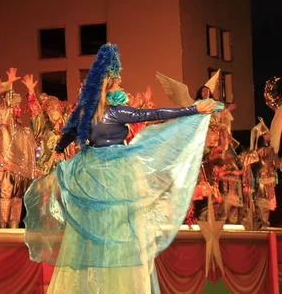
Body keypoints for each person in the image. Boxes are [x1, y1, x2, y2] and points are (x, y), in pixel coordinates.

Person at [23, 43, 217, 293]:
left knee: (93, 230)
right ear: (109, 86)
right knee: (120, 228)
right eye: (120, 84)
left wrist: (59, 150)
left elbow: (69, 133)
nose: (123, 88)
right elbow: (154, 114)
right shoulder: (116, 112)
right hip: (115, 172)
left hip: (90, 170)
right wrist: (194, 108)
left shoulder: (86, 113)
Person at [0, 69, 38, 228]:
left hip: (21, 169)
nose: (17, 108)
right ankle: (1, 228)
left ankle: (14, 228)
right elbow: (1, 110)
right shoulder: (6, 122)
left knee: (17, 198)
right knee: (5, 196)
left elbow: (35, 112)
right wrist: (8, 84)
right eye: (14, 104)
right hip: (6, 165)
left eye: (19, 105)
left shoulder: (23, 131)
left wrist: (31, 91)